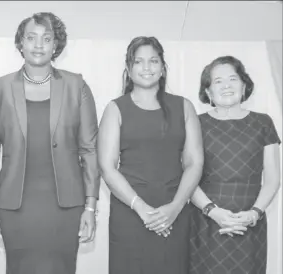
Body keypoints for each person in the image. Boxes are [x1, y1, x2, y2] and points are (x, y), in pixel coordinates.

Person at [0, 12, 100, 274]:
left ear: (56, 45)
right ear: (20, 43)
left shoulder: (76, 86)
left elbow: (90, 151)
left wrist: (91, 207)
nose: (39, 45)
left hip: (66, 208)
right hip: (15, 207)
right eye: (31, 38)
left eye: (46, 38)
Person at [97, 36, 204, 274]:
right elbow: (107, 166)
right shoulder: (115, 108)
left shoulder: (184, 106)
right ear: (128, 69)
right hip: (130, 213)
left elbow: (194, 162)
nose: (147, 67)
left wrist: (175, 207)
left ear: (163, 68)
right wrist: (141, 208)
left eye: (154, 61)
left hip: (174, 215)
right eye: (139, 61)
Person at [189, 56, 281, 274]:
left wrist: (254, 213)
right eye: (218, 81)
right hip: (206, 221)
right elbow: (186, 177)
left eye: (233, 78)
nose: (227, 85)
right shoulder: (195, 123)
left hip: (250, 222)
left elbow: (273, 179)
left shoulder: (263, 123)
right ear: (208, 91)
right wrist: (212, 211)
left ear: (244, 85)